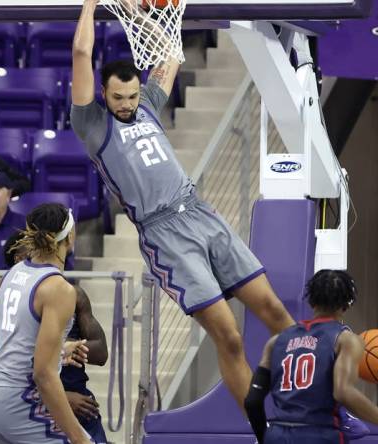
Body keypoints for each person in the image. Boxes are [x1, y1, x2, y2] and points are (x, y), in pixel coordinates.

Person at [71, 0, 295, 408]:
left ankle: (314, 404)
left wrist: (138, 17)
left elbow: (171, 50)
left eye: (132, 95)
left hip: (199, 212)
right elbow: (82, 54)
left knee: (274, 309)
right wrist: (90, 4)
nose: (127, 104)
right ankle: (261, 429)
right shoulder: (92, 125)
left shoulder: (149, 105)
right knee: (228, 335)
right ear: (103, 93)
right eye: (118, 97)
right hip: (163, 231)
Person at [243, 270, 378, 444]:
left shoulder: (276, 341)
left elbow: (252, 401)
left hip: (278, 434)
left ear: (311, 301)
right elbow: (343, 392)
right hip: (319, 434)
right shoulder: (345, 339)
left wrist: (264, 437)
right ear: (346, 305)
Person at [0, 203, 93, 444]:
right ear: (70, 237)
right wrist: (79, 438)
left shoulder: (13, 272)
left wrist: (59, 350)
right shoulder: (58, 288)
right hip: (19, 401)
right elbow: (43, 374)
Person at [4, 230, 110, 443]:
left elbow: (101, 352)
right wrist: (62, 398)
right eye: (33, 256)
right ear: (19, 261)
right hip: (31, 400)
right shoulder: (7, 301)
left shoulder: (71, 294)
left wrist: (64, 346)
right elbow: (6, 365)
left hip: (77, 397)